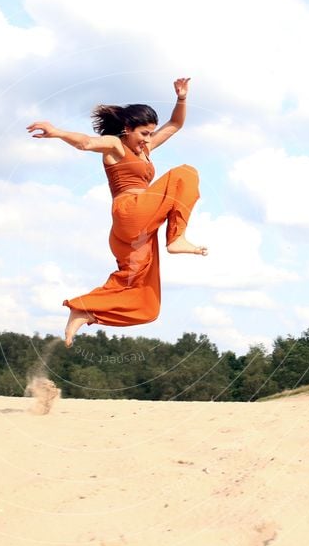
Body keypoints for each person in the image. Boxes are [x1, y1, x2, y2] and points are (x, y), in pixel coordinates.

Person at [27, 77, 207, 346]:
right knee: (185, 173)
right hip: (129, 212)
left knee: (146, 302)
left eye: (150, 134)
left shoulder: (145, 148)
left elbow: (176, 124)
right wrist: (57, 132)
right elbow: (86, 143)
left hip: (135, 231)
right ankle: (176, 238)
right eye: (143, 133)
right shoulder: (116, 145)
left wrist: (181, 98)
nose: (147, 140)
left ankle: (83, 310)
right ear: (127, 129)